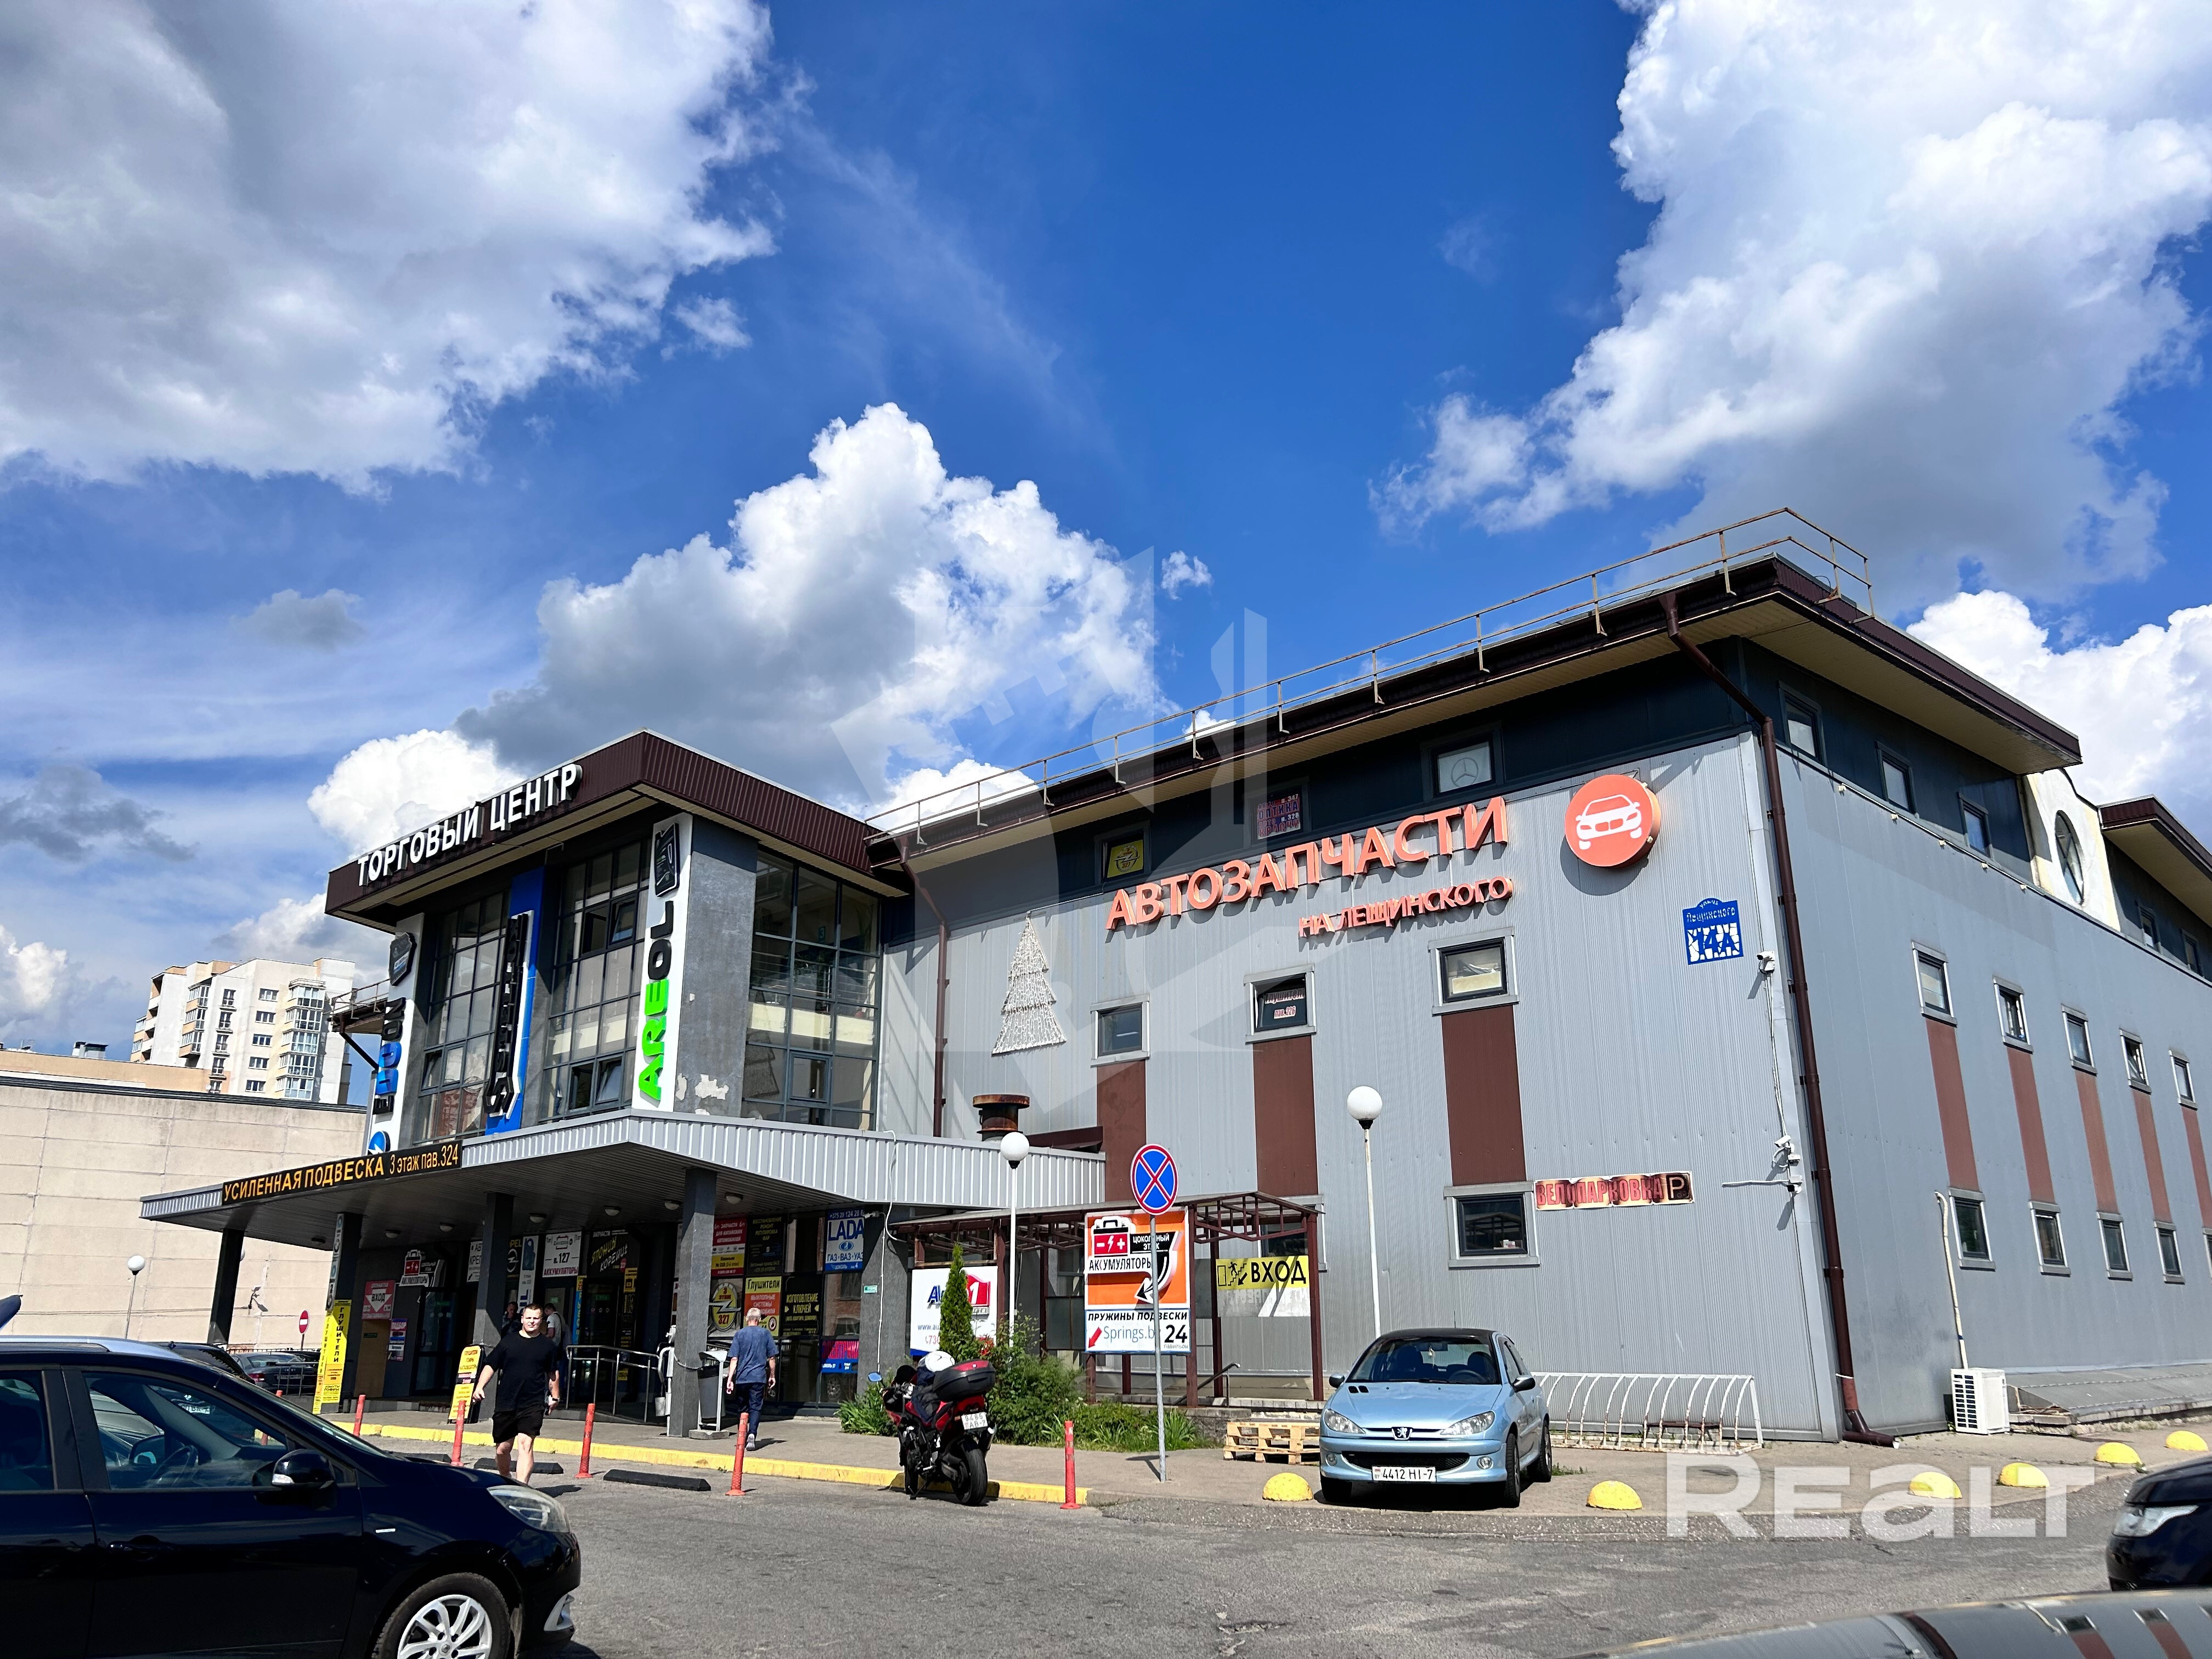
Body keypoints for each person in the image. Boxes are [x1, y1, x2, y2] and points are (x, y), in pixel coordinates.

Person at [471, 1303, 565, 1482]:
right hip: (507, 1402)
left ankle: (521, 1488)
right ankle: (505, 1477)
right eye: (528, 1318)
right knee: (503, 1449)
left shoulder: (547, 1346)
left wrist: (555, 1396)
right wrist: (480, 1387)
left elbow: (553, 1373)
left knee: (526, 1445)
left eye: (536, 1318)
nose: (532, 1321)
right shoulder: (508, 1342)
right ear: (522, 1319)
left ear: (541, 1320)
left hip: (533, 1403)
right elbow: (491, 1365)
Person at [719, 1307, 776, 1451]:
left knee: (743, 1408)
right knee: (755, 1407)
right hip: (758, 1378)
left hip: (742, 1379)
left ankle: (742, 1435)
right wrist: (772, 1376)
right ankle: (752, 1434)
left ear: (747, 1319)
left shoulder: (739, 1334)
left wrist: (730, 1379)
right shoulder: (765, 1334)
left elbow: (734, 1359)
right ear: (759, 1320)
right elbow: (772, 1357)